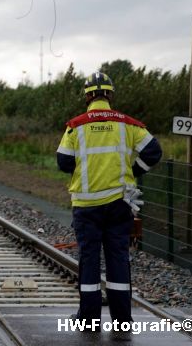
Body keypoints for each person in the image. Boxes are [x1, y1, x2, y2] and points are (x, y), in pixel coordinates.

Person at [56, 72, 162, 327]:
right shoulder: (128, 124)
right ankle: (122, 319)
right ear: (110, 95)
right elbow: (154, 151)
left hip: (87, 206)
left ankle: (89, 319)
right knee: (118, 258)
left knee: (89, 259)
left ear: (88, 96)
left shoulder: (76, 125)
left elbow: (63, 161)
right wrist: (133, 171)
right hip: (119, 205)